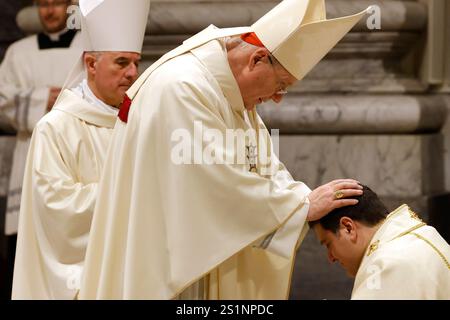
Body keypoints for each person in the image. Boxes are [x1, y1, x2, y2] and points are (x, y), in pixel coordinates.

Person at [79, 0, 369, 299]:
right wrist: (301, 207)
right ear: (256, 59)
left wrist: (302, 199)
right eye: (281, 84)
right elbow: (213, 185)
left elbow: (263, 166)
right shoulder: (182, 87)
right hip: (166, 269)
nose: (278, 98)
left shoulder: (230, 93)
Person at [11, 0, 150, 299]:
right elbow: (56, 210)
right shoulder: (56, 128)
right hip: (81, 281)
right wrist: (132, 192)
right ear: (90, 64)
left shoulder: (138, 125)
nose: (132, 73)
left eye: (136, 63)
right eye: (122, 63)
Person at [0, 0, 82, 236]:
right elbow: (2, 96)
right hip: (29, 148)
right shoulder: (19, 51)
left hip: (72, 147)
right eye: (43, 4)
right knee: (30, 234)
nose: (49, 11)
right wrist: (41, 98)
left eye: (56, 3)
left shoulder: (88, 47)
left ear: (69, 5)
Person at [310, 185, 450, 299]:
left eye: (328, 244)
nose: (330, 257)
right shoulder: (421, 235)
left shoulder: (386, 264)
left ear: (348, 227)